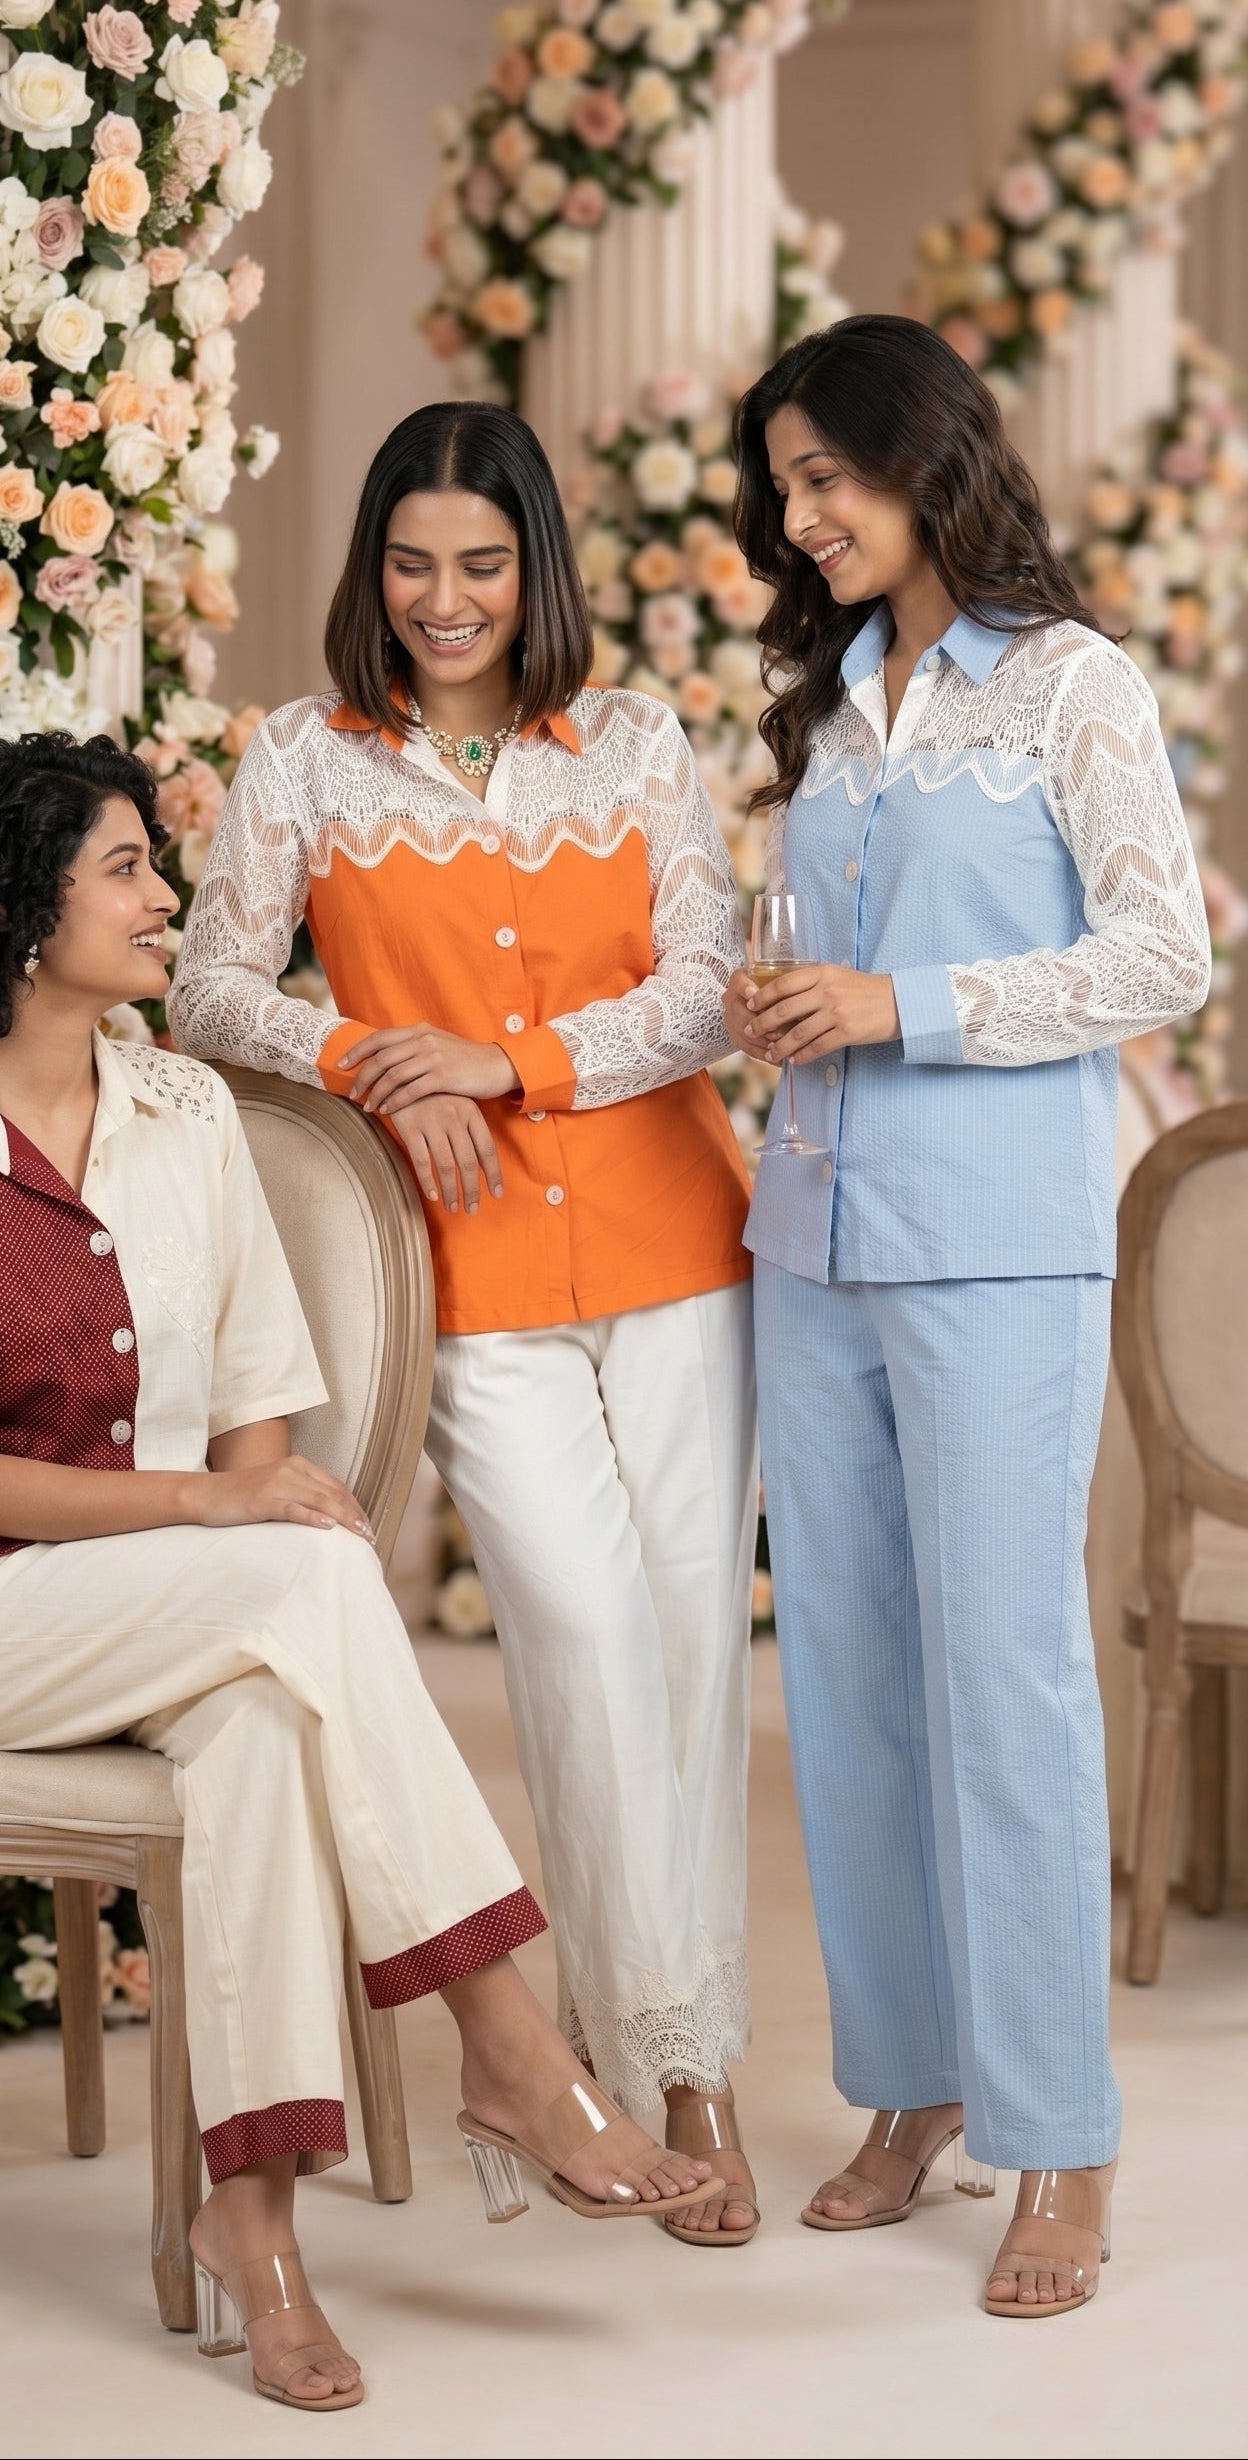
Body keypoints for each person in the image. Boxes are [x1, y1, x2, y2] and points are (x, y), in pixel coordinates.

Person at [0, 731, 720, 2416]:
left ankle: (257, 2229)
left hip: (176, 1610)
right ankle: (513, 2049)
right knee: (300, 1574)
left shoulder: (188, 1116)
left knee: (257, 1726)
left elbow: (256, 1402)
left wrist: (230, 1523)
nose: (167, 898)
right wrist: (217, 1517)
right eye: (126, 871)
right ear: (19, 915)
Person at [169, 403, 762, 2245]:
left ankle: (688, 2064)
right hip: (475, 1280)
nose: (446, 599)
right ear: (374, 570)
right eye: (413, 563)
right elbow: (206, 988)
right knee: (580, 1635)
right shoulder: (305, 760)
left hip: (684, 1248)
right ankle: (626, 2046)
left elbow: (706, 991)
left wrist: (506, 1061)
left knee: (689, 1646)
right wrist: (368, 1054)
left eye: (483, 564)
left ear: (535, 570)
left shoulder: (638, 744)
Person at [723, 315, 1211, 2316]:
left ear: (925, 460)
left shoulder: (1072, 685)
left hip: (999, 1244)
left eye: (826, 476)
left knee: (1006, 1680)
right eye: (782, 485)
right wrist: (777, 1007)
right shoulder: (834, 705)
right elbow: (818, 968)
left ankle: (1060, 2132)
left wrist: (897, 1006)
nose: (798, 515)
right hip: (813, 1242)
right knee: (845, 1685)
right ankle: (913, 2085)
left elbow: (1162, 953)